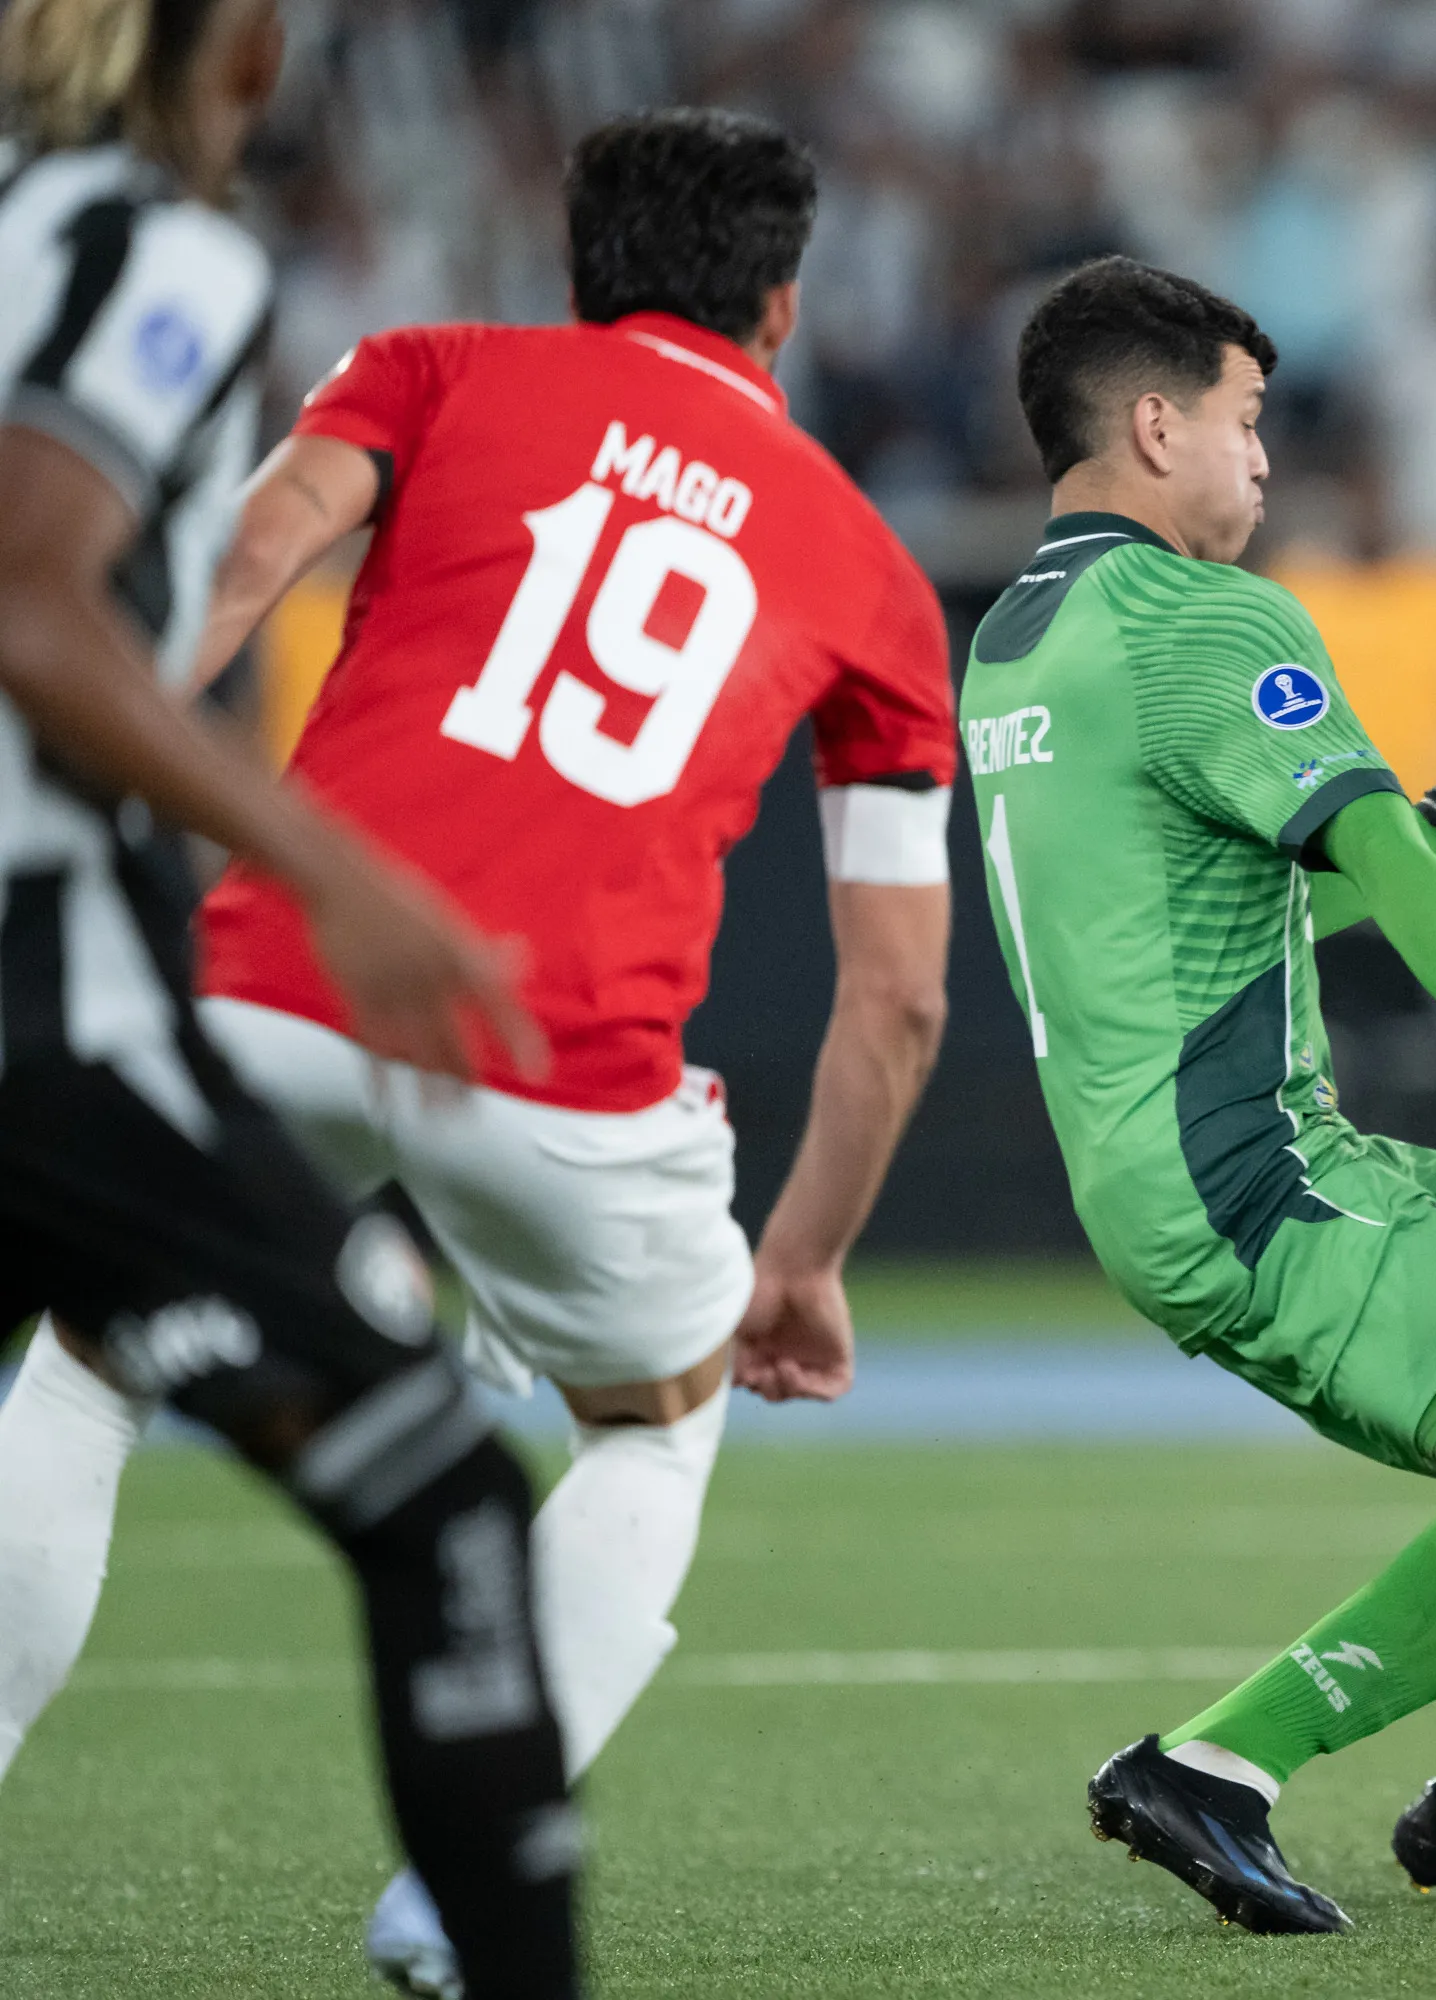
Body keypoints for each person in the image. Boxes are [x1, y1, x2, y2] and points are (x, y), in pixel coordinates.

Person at [0, 106, 956, 1993]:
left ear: (578, 269)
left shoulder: (429, 369)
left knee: (96, 1364)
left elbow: (235, 572)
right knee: (650, 1422)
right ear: (781, 304)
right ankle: (455, 1910)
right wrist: (806, 1264)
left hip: (281, 971)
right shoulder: (872, 569)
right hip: (568, 1062)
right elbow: (903, 993)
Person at [969, 257, 1436, 1932]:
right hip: (1255, 1173)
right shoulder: (1204, 614)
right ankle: (1220, 1764)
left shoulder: (1025, 640)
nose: (1264, 461)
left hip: (1191, 1161)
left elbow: (1258, 905)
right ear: (1155, 423)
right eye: (1247, 424)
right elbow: (1367, 840)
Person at [0, 0, 580, 1991]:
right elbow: (31, 593)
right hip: (38, 1011)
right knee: (450, 1502)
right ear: (229, 55)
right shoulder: (149, 245)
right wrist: (337, 867)